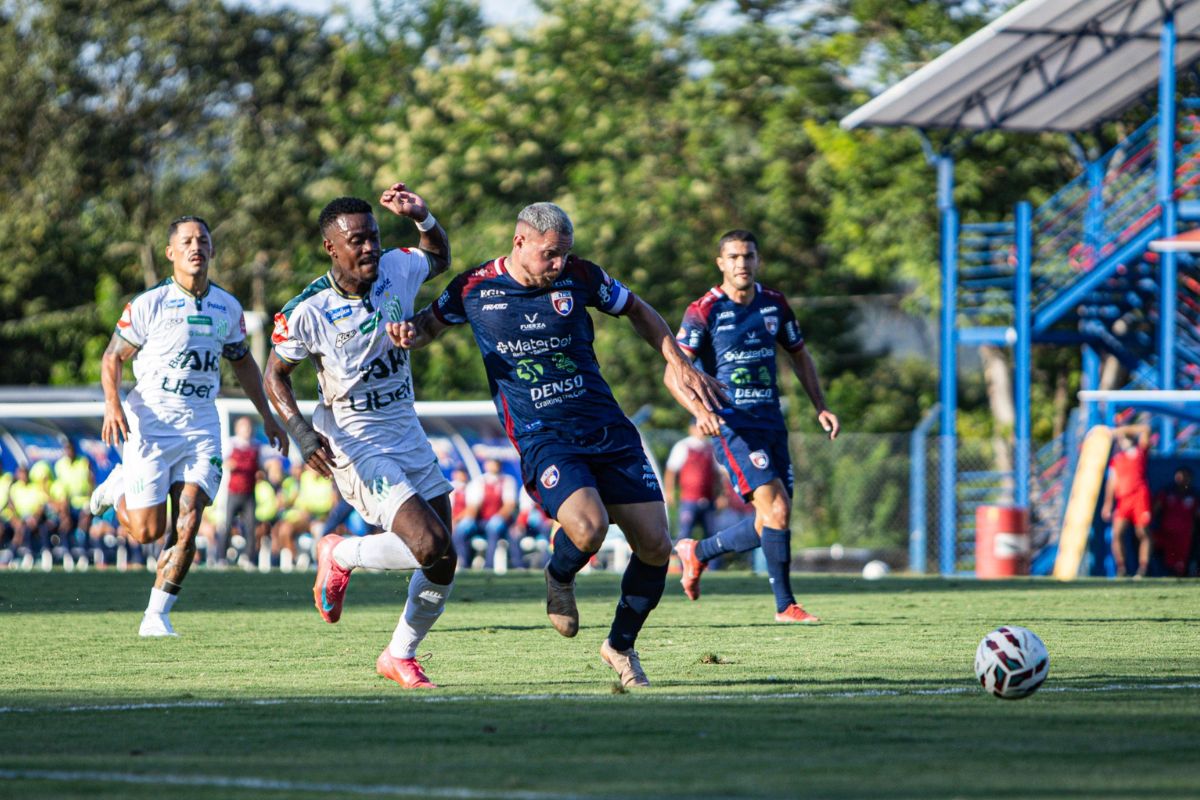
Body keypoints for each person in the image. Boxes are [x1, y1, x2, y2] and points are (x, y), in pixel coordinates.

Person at [395, 202, 725, 687]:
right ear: (520, 242)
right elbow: (427, 325)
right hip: (544, 436)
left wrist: (678, 361)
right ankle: (560, 572)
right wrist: (408, 332)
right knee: (589, 529)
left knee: (656, 546)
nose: (558, 264)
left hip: (607, 429)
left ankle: (620, 646)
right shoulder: (474, 288)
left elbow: (637, 308)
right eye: (550, 254)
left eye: (564, 254)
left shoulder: (581, 277)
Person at [264, 183, 456, 689]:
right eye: (357, 241)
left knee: (445, 560)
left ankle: (399, 655)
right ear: (331, 247)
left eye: (373, 237)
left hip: (405, 429)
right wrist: (301, 432)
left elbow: (440, 257)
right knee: (429, 543)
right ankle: (341, 553)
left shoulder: (397, 267)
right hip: (353, 438)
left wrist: (423, 217)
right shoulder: (307, 310)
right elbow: (274, 375)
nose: (370, 247)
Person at [89, 215, 288, 636]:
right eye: (186, 241)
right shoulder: (150, 304)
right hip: (151, 425)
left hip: (200, 425)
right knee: (148, 531)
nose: (196, 247)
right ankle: (119, 486)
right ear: (170, 252)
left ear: (212, 249)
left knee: (191, 515)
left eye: (202, 240)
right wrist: (112, 405)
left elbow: (243, 364)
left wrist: (268, 416)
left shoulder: (227, 307)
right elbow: (112, 357)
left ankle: (156, 615)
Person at [673, 229, 840, 623]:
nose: (741, 263)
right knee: (776, 510)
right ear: (720, 263)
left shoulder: (774, 304)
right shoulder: (704, 310)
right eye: (733, 257)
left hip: (771, 422)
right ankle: (785, 606)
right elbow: (673, 372)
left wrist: (820, 405)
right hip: (733, 425)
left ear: (757, 260)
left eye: (748, 256)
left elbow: (800, 355)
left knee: (772, 519)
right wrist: (700, 411)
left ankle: (697, 552)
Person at [1101, 422, 1152, 578]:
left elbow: (1145, 429)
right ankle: (1121, 568)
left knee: (1142, 532)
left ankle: (1143, 569)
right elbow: (1112, 482)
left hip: (1139, 497)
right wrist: (1107, 504)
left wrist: (1121, 430)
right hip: (1123, 500)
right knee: (1116, 534)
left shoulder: (1139, 452)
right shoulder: (1117, 459)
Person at [664, 421, 721, 546]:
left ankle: (708, 560)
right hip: (689, 499)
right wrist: (669, 492)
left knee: (712, 535)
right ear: (692, 429)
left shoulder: (710, 447)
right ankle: (681, 559)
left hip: (709, 499)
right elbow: (671, 470)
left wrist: (720, 495)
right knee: (684, 533)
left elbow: (717, 474)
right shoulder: (683, 446)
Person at [462, 458, 520, 571]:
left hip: (502, 521)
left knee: (493, 527)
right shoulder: (479, 481)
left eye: (495, 464)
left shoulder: (507, 480)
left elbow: (509, 504)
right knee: (462, 530)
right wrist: (468, 520)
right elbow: (474, 505)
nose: (493, 466)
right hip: (481, 520)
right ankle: (463, 564)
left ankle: (489, 565)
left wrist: (497, 517)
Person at [222, 416, 261, 566]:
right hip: (233, 492)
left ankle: (248, 558)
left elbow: (263, 464)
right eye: (244, 427)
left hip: (249, 493)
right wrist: (226, 464)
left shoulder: (256, 446)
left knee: (251, 527)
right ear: (237, 429)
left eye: (249, 427)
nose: (247, 430)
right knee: (227, 525)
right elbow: (216, 460)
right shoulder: (230, 444)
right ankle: (221, 557)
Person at [1152, 466, 1196, 578]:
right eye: (1180, 475)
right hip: (1166, 534)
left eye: (1185, 476)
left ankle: (1184, 574)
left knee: (1181, 563)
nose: (1182, 479)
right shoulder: (1167, 492)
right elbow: (1155, 509)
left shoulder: (1194, 495)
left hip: (1185, 536)